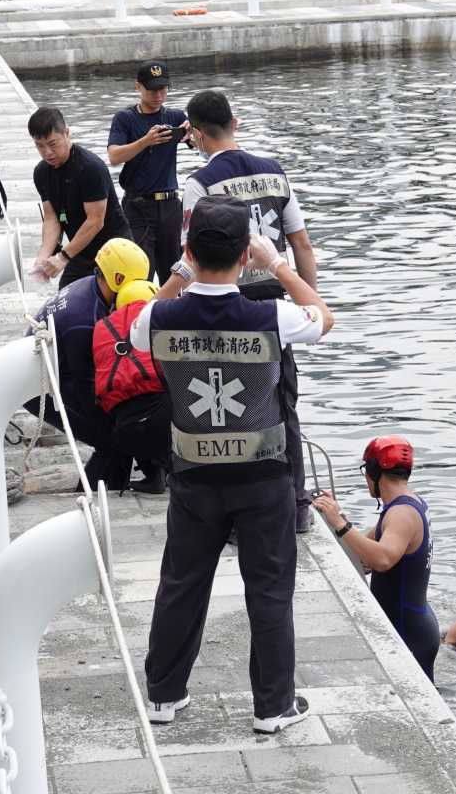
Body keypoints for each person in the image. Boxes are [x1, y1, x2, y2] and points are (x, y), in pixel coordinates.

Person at [131, 195, 334, 733]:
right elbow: (324, 317)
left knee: (181, 583)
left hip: (193, 477)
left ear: (188, 251)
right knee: (269, 592)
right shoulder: (272, 315)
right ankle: (273, 707)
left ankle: (163, 695)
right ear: (245, 254)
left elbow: (136, 326)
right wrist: (278, 265)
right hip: (264, 478)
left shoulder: (158, 315)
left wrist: (179, 272)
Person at [166, 89, 320, 534]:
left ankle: (235, 512)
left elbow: (193, 256)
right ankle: (296, 505)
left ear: (194, 133)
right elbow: (302, 246)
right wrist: (308, 303)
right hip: (275, 302)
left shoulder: (200, 184)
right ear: (235, 122)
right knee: (282, 404)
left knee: (232, 407)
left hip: (227, 304)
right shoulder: (275, 173)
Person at [25, 238, 150, 490]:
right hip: (41, 387)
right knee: (114, 438)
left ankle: (112, 486)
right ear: (117, 280)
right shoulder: (84, 320)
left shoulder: (92, 287)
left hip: (62, 371)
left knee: (118, 432)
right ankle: (93, 492)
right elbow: (87, 391)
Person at [312, 437, 440, 682]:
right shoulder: (407, 504)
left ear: (373, 472)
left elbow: (382, 560)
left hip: (407, 630)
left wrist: (340, 523)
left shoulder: (401, 514)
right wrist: (336, 515)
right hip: (414, 621)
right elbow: (366, 548)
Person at [29, 106, 133, 289]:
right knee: (65, 302)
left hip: (113, 249)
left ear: (67, 133)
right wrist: (43, 257)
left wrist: (63, 257)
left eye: (53, 144)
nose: (47, 153)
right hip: (81, 251)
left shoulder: (90, 167)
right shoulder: (41, 172)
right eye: (40, 146)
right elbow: (52, 217)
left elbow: (95, 221)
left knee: (109, 307)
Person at [107, 61, 188, 285]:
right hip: (138, 206)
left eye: (163, 89)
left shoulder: (175, 117)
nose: (158, 95)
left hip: (170, 205)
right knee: (141, 272)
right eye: (152, 89)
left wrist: (193, 133)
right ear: (138, 87)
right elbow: (114, 157)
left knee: (175, 273)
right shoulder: (125, 119)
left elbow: (202, 144)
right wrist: (145, 141)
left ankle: (172, 316)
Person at [91, 279, 170, 493]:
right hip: (167, 424)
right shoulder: (161, 320)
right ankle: (172, 472)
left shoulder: (102, 328)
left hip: (124, 432)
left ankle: (150, 476)